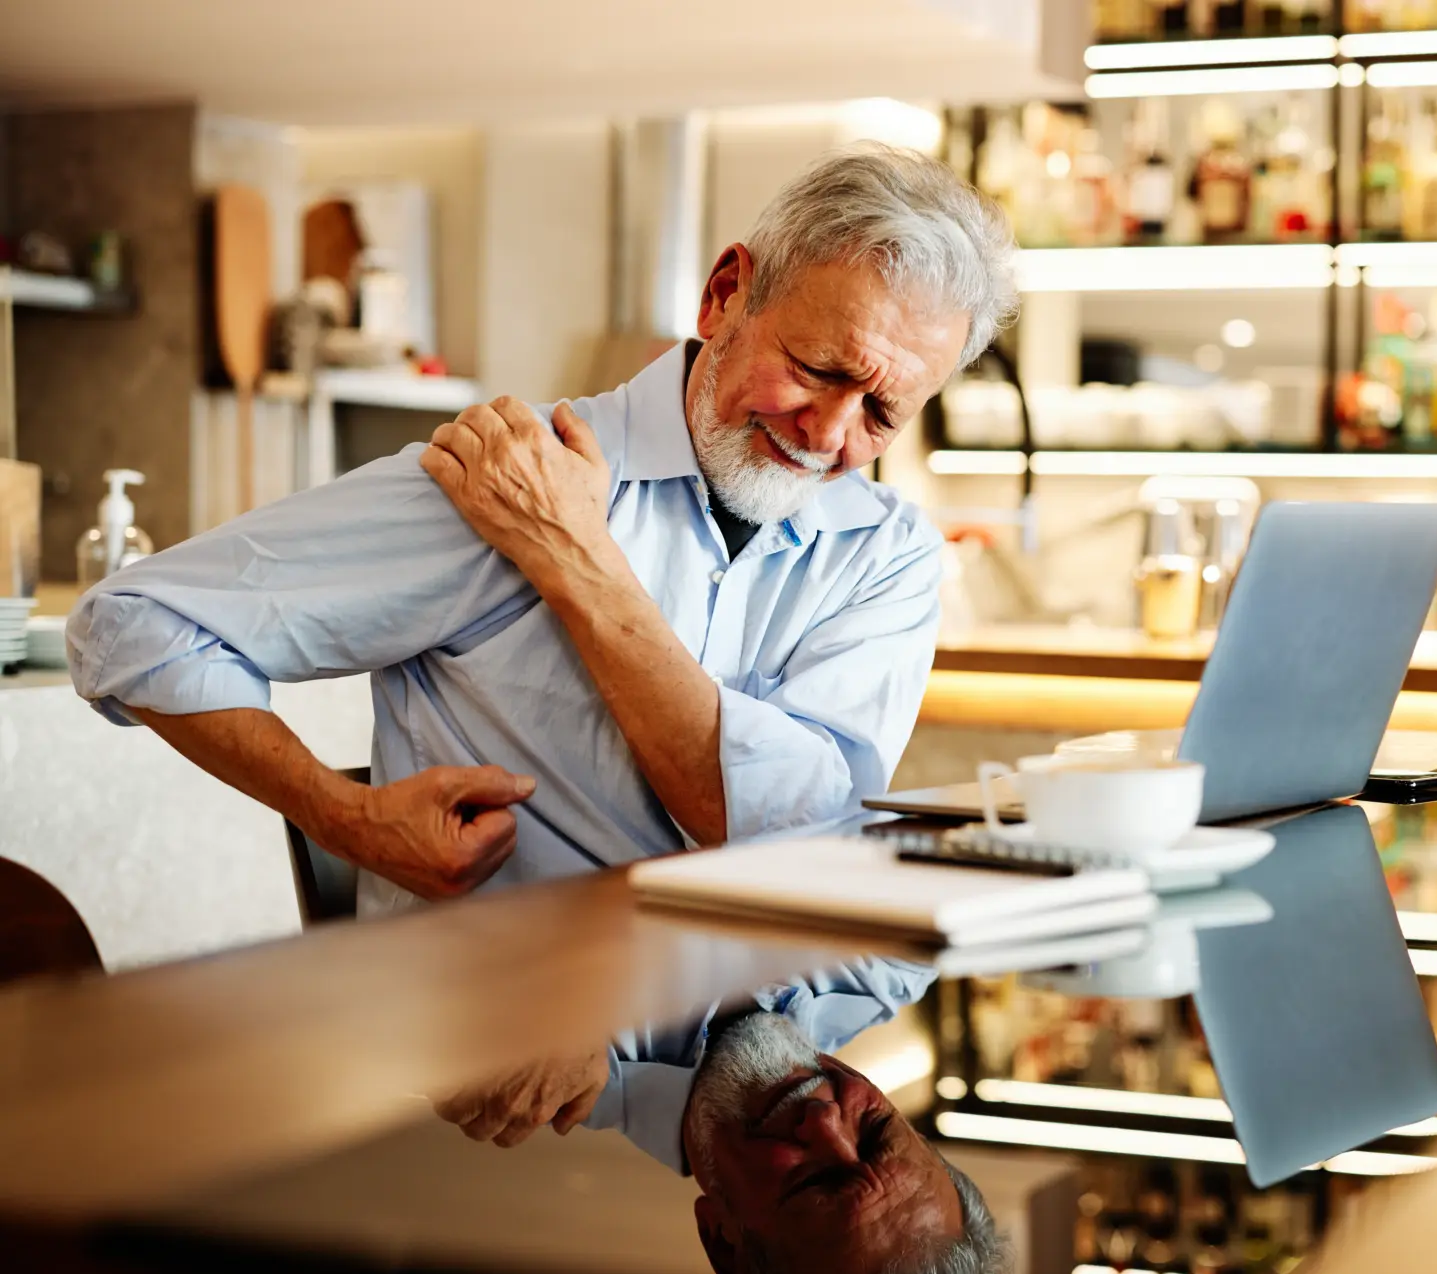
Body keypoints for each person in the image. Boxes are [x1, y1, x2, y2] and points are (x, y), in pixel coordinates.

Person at [66, 144, 1018, 914]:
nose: (830, 433)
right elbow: (135, 620)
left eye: (883, 415)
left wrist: (577, 559)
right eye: (815, 369)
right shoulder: (501, 477)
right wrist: (341, 816)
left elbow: (807, 834)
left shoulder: (887, 556)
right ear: (726, 294)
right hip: (486, 1077)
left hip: (743, 1070)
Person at [433, 958, 1010, 1274]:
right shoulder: (891, 957)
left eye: (813, 1182)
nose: (824, 1120)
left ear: (722, 1242)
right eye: (878, 1130)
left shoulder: (505, 1066)